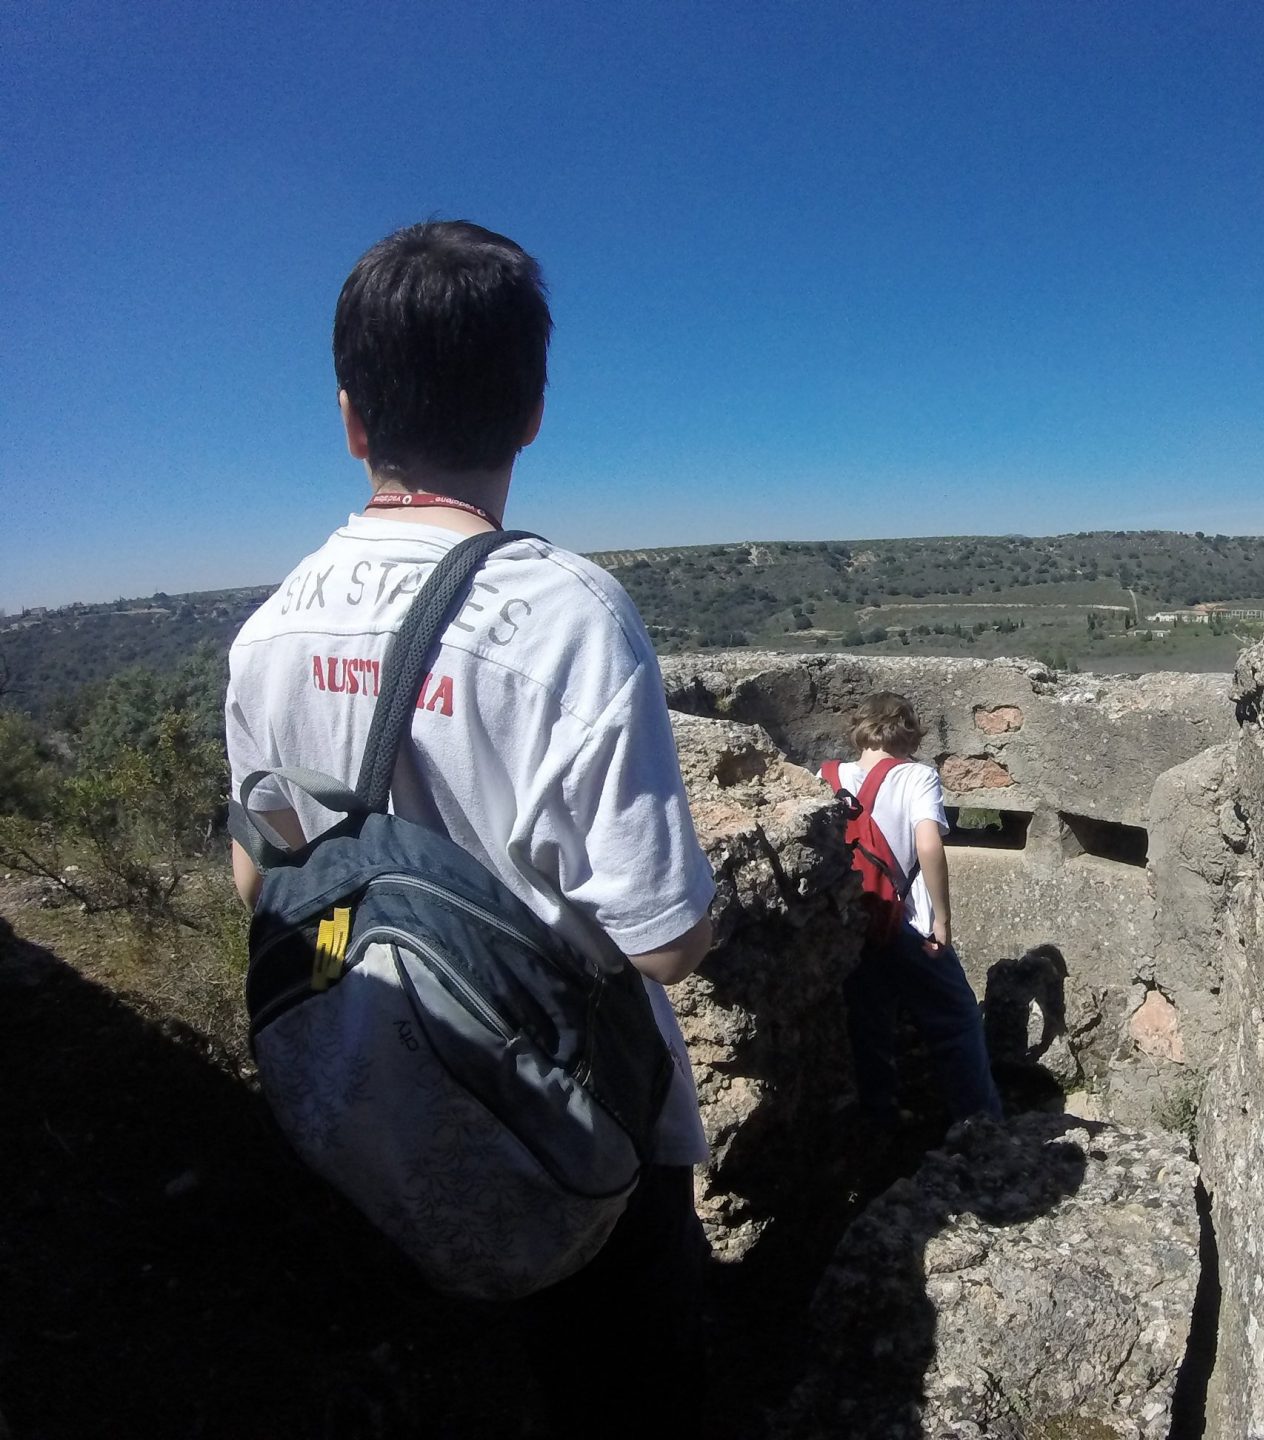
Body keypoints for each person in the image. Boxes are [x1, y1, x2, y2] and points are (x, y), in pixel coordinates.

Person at [223, 220, 714, 1432]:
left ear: (351, 418)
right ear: (533, 410)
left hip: (360, 1113)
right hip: (567, 1132)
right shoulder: (569, 618)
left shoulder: (268, 632)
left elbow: (258, 878)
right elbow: (661, 940)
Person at [824, 692, 1003, 1128]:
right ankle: (981, 1126)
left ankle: (879, 1122)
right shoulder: (916, 777)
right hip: (905, 922)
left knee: (870, 1023)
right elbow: (927, 844)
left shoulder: (827, 776)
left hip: (849, 923)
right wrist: (941, 919)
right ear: (908, 732)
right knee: (957, 1018)